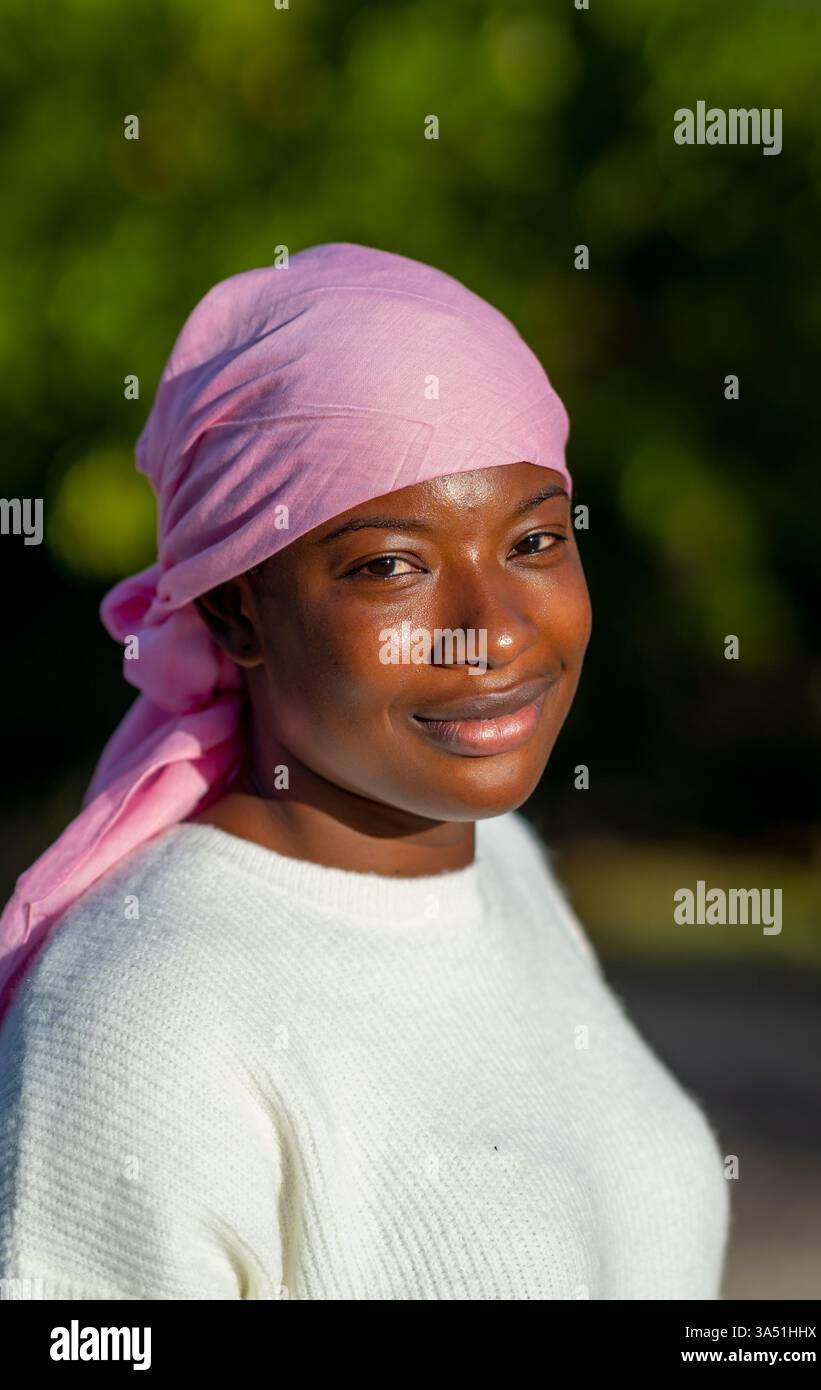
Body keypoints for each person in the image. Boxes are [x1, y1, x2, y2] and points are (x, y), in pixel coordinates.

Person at [0, 242, 729, 1299]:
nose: (493, 633)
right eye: (391, 565)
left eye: (532, 542)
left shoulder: (503, 869)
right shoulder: (141, 1021)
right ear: (234, 609)